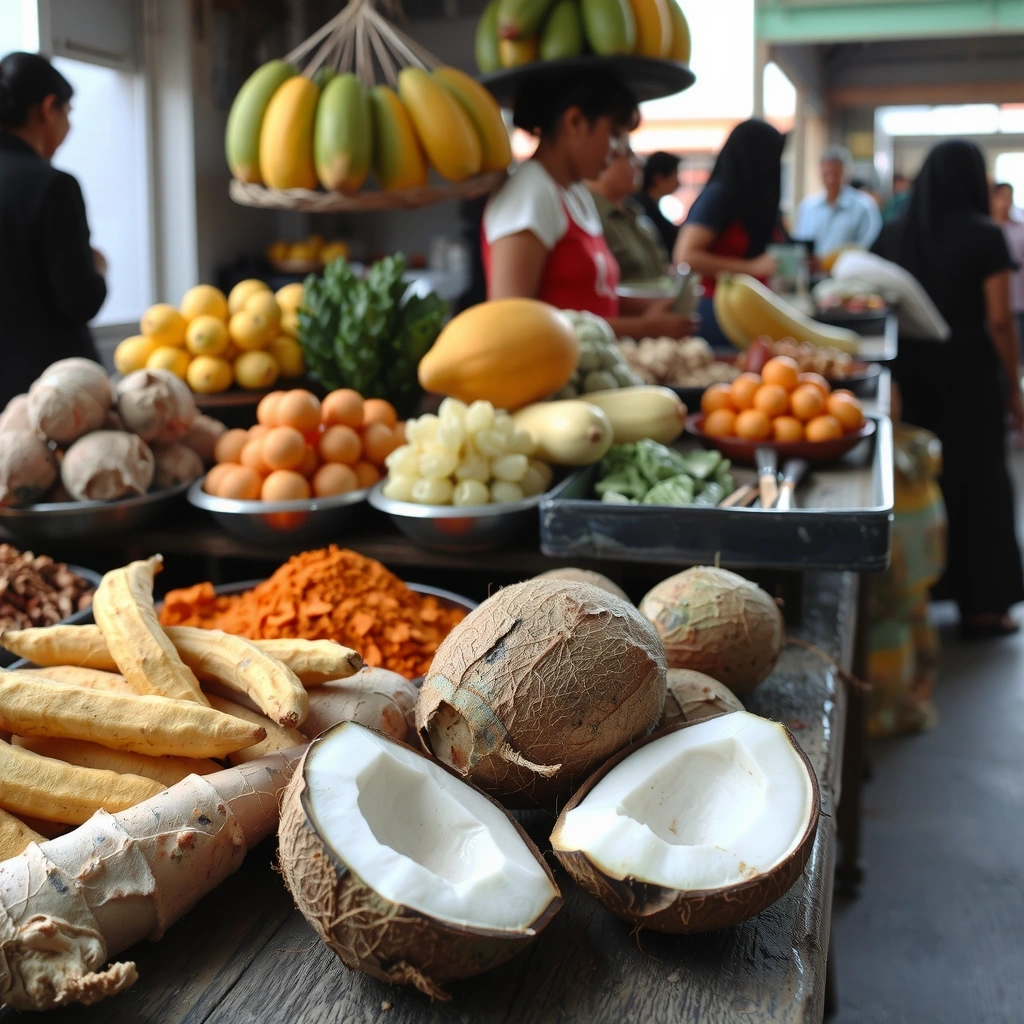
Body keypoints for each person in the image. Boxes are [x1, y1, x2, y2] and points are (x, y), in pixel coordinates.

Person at [872, 140, 1024, 638]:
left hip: (910, 375)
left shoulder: (892, 233)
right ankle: (981, 607)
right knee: (978, 483)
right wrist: (1015, 385)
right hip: (970, 376)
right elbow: (999, 321)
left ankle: (917, 597)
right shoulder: (987, 236)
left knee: (920, 481)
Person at [482, 68, 694, 339]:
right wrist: (644, 328)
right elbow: (510, 321)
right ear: (575, 122)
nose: (619, 149)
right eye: (615, 133)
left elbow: (588, 297)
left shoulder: (574, 192)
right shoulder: (530, 192)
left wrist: (645, 308)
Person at [0, 52, 107, 407]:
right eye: (68, 113)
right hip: (51, 397)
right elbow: (78, 300)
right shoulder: (52, 186)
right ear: (48, 109)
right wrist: (97, 268)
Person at [673, 119, 786, 350]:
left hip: (754, 307)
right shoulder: (720, 196)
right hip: (717, 313)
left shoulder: (756, 198)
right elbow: (685, 255)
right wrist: (752, 268)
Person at [587, 139, 669, 283]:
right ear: (603, 160)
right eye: (628, 156)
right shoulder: (588, 216)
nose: (639, 164)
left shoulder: (635, 213)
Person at [794, 145, 882, 255]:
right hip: (811, 271)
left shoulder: (864, 207)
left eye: (836, 174)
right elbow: (799, 246)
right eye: (826, 174)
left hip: (849, 271)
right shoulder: (807, 207)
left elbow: (869, 247)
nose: (831, 180)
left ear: (846, 173)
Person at [990, 182, 1024, 350]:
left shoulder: (1021, 228)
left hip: (1019, 296)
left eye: (1008, 197)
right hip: (996, 299)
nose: (1005, 202)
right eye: (1001, 197)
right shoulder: (987, 230)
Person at [633, 150, 682, 253]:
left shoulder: (649, 205)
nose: (679, 183)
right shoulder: (639, 208)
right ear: (658, 178)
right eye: (675, 176)